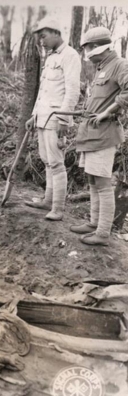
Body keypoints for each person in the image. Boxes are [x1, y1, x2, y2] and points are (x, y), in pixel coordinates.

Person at [70, 27, 128, 246]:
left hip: (105, 133)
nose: (89, 56)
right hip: (90, 133)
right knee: (93, 180)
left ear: (98, 48)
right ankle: (94, 222)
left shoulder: (120, 65)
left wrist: (106, 112)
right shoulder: (101, 67)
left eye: (89, 51)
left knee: (103, 184)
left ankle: (103, 233)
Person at [25, 18, 81, 221]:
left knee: (56, 163)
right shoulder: (49, 58)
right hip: (43, 117)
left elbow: (72, 91)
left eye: (44, 36)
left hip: (56, 119)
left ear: (57, 32)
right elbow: (43, 92)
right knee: (47, 161)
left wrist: (64, 121)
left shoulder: (70, 56)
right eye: (39, 37)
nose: (41, 41)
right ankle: (48, 201)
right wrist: (34, 115)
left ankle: (58, 208)